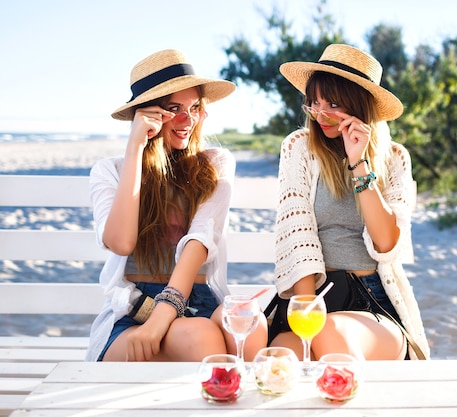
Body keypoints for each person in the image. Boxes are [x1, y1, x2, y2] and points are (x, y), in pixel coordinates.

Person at [85, 49, 267, 362]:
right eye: (174, 109)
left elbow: (198, 242)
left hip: (199, 300)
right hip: (135, 311)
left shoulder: (215, 164)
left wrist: (164, 316)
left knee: (250, 322)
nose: (188, 120)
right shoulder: (110, 171)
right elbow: (121, 242)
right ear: (147, 113)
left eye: (195, 107)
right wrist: (135, 149)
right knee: (200, 334)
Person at [267, 44, 430, 360]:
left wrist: (360, 163)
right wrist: (306, 310)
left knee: (331, 336)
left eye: (333, 103)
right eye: (314, 103)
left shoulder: (395, 158)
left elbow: (387, 243)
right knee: (281, 357)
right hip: (312, 296)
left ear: (359, 105)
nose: (320, 113)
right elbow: (297, 233)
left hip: (373, 302)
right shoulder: (300, 148)